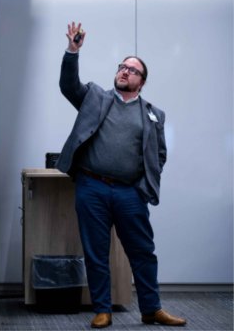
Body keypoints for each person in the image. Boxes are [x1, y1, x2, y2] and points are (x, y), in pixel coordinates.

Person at [56, 22, 186, 328]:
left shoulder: (154, 114)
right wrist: (72, 51)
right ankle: (103, 310)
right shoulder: (95, 97)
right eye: (122, 67)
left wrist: (142, 187)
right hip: (92, 188)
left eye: (132, 69)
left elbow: (159, 154)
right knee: (96, 252)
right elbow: (67, 86)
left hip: (130, 193)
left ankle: (151, 309)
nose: (124, 71)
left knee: (143, 252)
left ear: (142, 81)